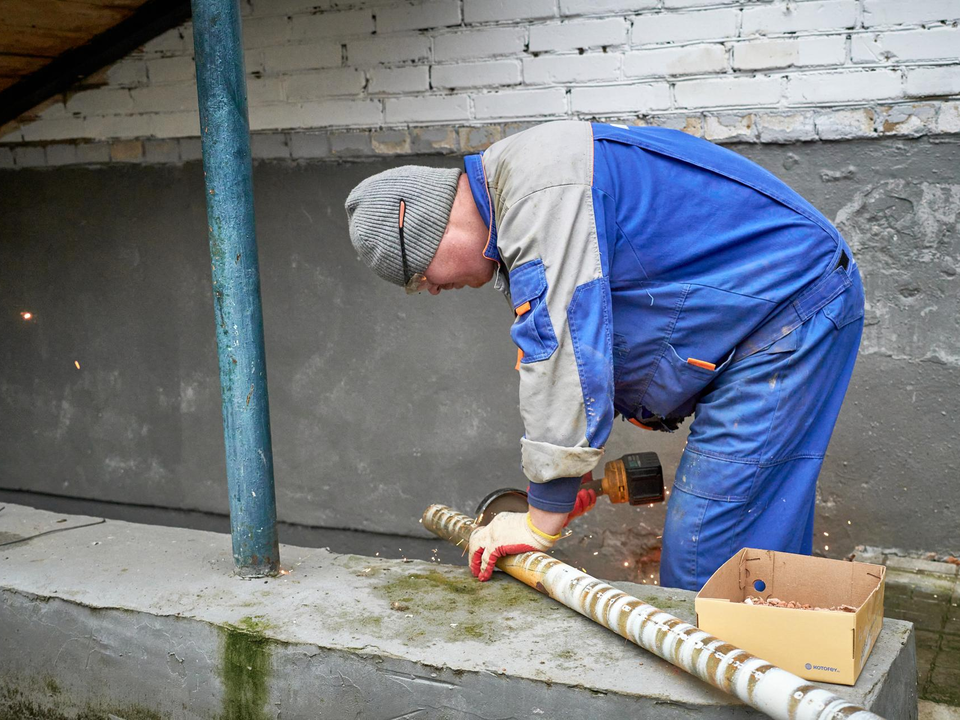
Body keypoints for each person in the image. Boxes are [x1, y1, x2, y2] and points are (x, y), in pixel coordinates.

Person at [344, 121, 864, 591]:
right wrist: (566, 486)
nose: (430, 290)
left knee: (708, 555)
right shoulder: (518, 198)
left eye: (417, 278)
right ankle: (784, 665)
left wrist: (540, 518)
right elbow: (578, 351)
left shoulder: (539, 193)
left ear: (421, 223)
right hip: (772, 311)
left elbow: (564, 355)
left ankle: (744, 688)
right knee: (753, 544)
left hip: (790, 309)